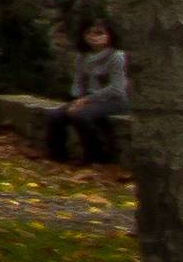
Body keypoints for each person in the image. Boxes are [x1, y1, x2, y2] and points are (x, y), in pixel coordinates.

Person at [43, 18, 131, 165]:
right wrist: (76, 99)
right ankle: (57, 155)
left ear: (109, 35)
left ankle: (96, 155)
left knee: (80, 116)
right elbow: (78, 83)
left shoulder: (117, 57)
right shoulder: (82, 57)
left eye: (99, 33)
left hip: (115, 100)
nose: (93, 36)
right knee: (55, 115)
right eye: (89, 32)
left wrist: (85, 101)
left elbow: (116, 88)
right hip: (88, 99)